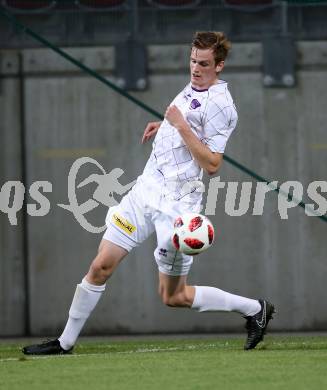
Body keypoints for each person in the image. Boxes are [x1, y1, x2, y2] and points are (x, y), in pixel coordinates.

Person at [23, 31, 275, 355]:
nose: (196, 69)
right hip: (145, 193)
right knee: (101, 266)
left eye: (204, 64)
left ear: (220, 66)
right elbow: (186, 124)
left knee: (173, 297)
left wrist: (179, 126)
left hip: (178, 209)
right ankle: (64, 342)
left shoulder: (223, 106)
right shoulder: (195, 86)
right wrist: (166, 127)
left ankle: (255, 309)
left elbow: (212, 164)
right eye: (192, 61)